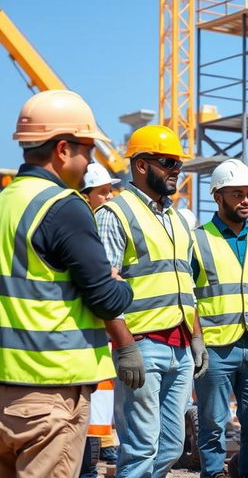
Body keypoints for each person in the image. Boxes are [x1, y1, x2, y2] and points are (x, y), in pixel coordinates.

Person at [0, 90, 134, 478]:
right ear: (62, 148)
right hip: (49, 393)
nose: (89, 160)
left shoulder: (6, 201)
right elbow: (106, 298)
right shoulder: (63, 206)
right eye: (87, 149)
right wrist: (119, 282)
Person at [96, 124, 209, 477]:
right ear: (141, 165)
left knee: (172, 445)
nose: (177, 171)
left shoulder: (177, 219)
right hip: (142, 345)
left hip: (179, 347)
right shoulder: (116, 214)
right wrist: (125, 346)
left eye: (179, 164)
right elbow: (102, 288)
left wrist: (196, 338)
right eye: (168, 163)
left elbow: (185, 286)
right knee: (141, 447)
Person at [192, 159, 248, 478]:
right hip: (215, 347)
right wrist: (196, 341)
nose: (245, 201)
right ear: (218, 197)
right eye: (237, 194)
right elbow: (188, 297)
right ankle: (212, 474)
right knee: (212, 424)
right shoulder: (197, 240)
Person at [78, 162, 122, 478]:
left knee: (98, 404)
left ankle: (92, 462)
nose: (108, 197)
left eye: (110, 191)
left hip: (95, 334)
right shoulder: (85, 227)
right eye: (103, 191)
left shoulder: (88, 223)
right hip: (87, 330)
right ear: (87, 193)